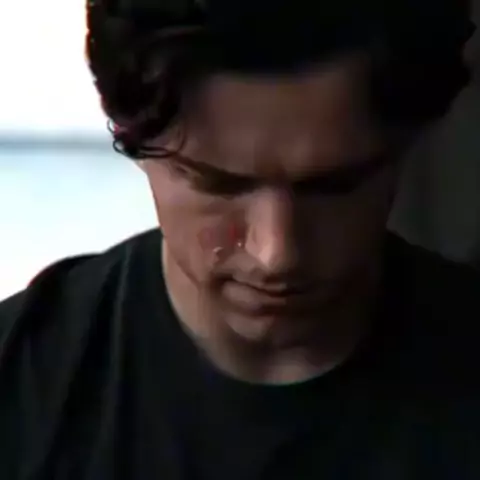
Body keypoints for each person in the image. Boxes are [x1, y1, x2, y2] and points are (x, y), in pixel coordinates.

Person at [0, 0, 479, 478]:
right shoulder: (21, 388)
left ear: (408, 145)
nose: (277, 255)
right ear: (129, 132)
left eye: (335, 186)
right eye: (219, 185)